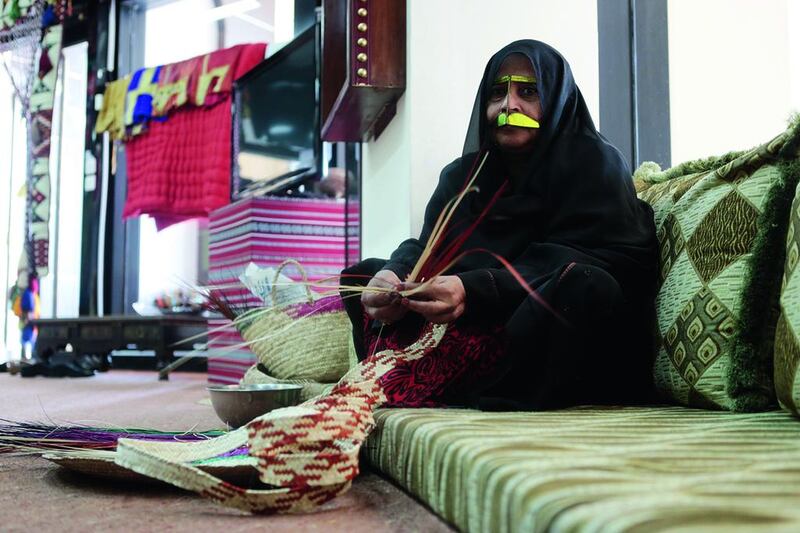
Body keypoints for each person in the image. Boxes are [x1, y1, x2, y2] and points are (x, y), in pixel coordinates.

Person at [341, 40, 659, 410]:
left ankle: (477, 385)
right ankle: (438, 378)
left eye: (528, 92)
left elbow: (593, 260)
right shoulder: (465, 176)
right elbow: (429, 245)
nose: (509, 106)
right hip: (471, 324)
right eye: (497, 93)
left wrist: (474, 288)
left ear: (557, 98)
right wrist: (397, 275)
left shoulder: (595, 166)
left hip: (543, 337)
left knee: (586, 287)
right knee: (362, 277)